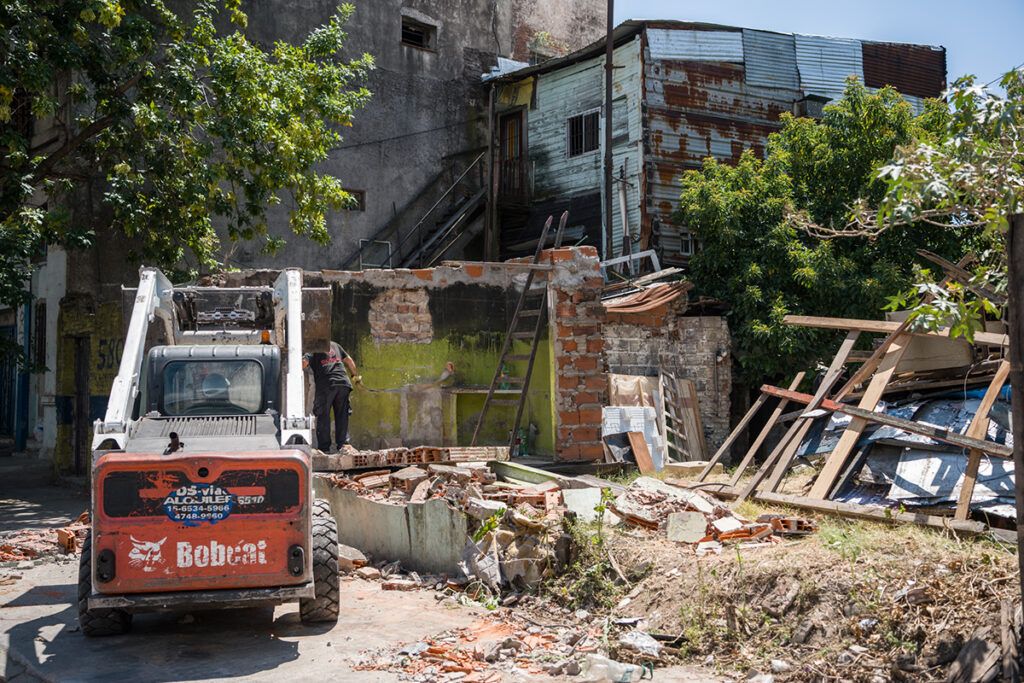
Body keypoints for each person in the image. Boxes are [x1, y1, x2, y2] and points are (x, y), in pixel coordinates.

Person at [303, 341, 362, 452]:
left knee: (323, 415)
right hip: (343, 383)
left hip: (327, 384)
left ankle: (324, 449)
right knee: (342, 415)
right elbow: (349, 360)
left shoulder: (313, 346)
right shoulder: (335, 345)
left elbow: (304, 362)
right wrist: (355, 377)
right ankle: (344, 445)